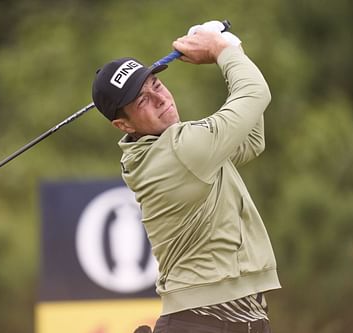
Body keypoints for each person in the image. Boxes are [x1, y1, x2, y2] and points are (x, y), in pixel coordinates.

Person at [92, 21, 280, 333]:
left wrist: (232, 50)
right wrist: (223, 50)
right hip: (204, 321)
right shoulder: (182, 150)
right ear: (123, 125)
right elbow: (255, 92)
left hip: (232, 319)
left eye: (156, 85)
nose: (160, 98)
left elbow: (250, 140)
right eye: (142, 100)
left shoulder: (169, 147)